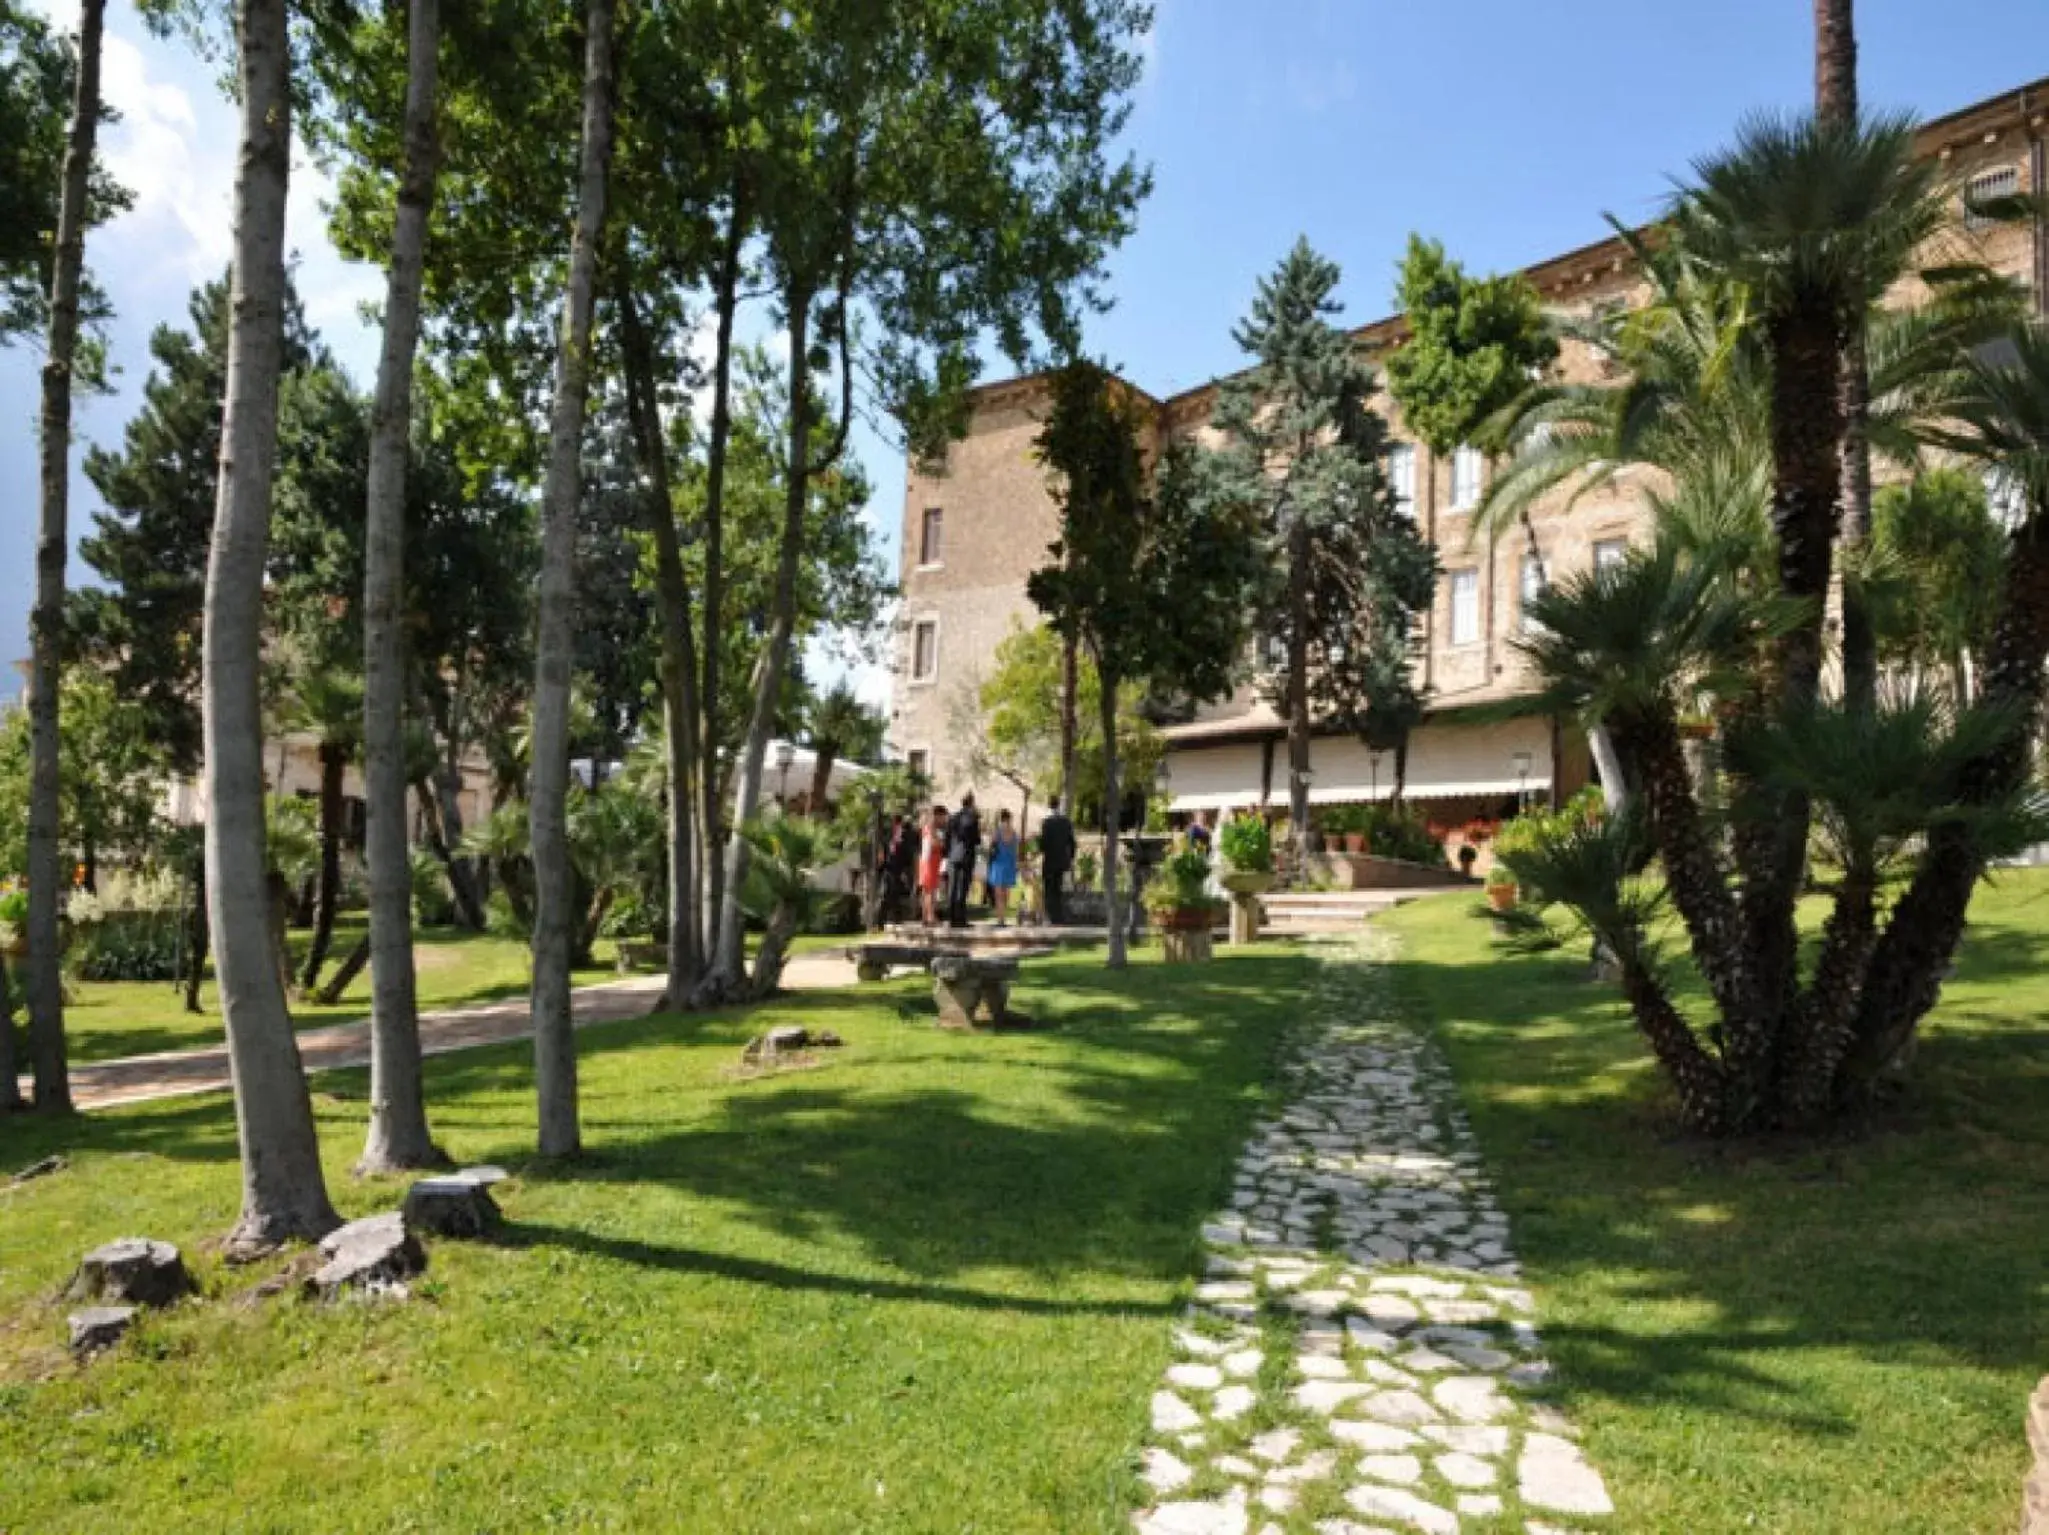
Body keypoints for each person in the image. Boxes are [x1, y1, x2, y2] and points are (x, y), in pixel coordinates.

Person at [944, 791, 981, 928]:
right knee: (962, 887)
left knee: (952, 887)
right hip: (966, 855)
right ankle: (961, 918)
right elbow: (977, 839)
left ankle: (952, 918)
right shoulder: (972, 818)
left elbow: (947, 839)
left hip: (953, 856)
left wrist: (948, 853)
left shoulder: (953, 818)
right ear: (971, 802)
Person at [1039, 795, 1075, 926]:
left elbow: (1043, 844)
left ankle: (1051, 916)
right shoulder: (1066, 822)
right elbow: (1071, 842)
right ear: (1058, 805)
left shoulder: (1046, 823)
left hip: (1049, 861)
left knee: (1049, 889)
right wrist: (1070, 858)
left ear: (1049, 805)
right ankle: (1059, 916)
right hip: (1061, 861)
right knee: (1058, 888)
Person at [986, 809, 1020, 926]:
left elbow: (991, 846)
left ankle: (1000, 918)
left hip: (999, 863)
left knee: (998, 893)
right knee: (1005, 892)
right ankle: (1003, 917)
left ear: (1001, 818)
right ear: (1009, 818)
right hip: (1009, 863)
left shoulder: (998, 831)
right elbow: (1016, 851)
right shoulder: (1014, 833)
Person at [918, 806, 948, 927]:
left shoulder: (929, 827)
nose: (944, 820)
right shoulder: (931, 827)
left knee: (927, 890)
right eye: (942, 817)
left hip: (930, 861)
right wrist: (941, 843)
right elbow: (933, 842)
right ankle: (931, 917)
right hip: (930, 861)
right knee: (930, 890)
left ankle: (925, 916)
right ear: (937, 816)